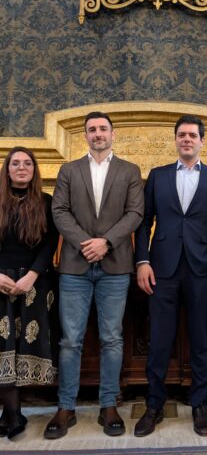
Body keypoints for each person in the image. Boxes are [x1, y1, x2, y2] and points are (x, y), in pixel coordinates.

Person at [44, 111, 144, 439]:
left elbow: (135, 213)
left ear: (112, 134)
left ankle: (109, 405)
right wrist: (86, 244)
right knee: (70, 340)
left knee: (112, 338)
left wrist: (106, 242)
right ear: (85, 135)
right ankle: (66, 407)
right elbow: (59, 211)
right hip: (75, 266)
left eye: (103, 129)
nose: (98, 134)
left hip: (115, 266)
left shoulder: (129, 171)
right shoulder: (69, 170)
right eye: (92, 129)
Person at [134, 115, 207, 437]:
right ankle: (154, 404)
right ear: (175, 140)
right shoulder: (158, 176)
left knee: (201, 339)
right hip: (162, 269)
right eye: (181, 135)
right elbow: (144, 222)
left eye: (192, 135)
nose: (187, 139)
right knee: (159, 339)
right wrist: (143, 261)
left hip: (202, 268)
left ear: (202, 141)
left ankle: (200, 404)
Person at [0, 147, 59, 440]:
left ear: (34, 169)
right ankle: (12, 413)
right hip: (0, 281)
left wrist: (31, 276)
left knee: (24, 344)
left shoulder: (45, 202)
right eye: (15, 163)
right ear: (7, 169)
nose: (21, 167)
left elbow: (50, 244)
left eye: (27, 163)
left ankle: (12, 412)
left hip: (34, 283)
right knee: (2, 344)